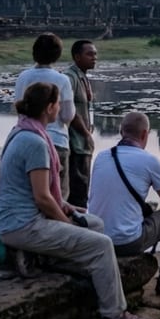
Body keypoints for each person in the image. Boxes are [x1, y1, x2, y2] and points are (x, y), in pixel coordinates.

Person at [0, 82, 148, 319]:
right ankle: (114, 315)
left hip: (17, 220)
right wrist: (65, 222)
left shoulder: (20, 131)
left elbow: (38, 192)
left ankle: (48, 259)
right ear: (49, 108)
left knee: (96, 223)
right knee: (101, 244)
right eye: (58, 104)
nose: (61, 109)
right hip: (23, 225)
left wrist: (67, 207)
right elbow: (43, 198)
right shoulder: (35, 142)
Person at [88, 112, 160, 295]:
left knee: (146, 207)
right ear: (145, 134)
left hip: (97, 238)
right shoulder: (149, 160)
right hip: (126, 242)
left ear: (121, 131)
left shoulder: (102, 157)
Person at [14, 33, 75, 193]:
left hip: (24, 139)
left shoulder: (23, 77)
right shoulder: (62, 80)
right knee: (59, 194)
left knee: (31, 193)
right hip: (56, 140)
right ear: (57, 55)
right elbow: (68, 115)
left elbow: (19, 109)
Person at [65, 40, 97, 207]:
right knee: (77, 192)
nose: (94, 58)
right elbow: (68, 108)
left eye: (95, 54)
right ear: (77, 57)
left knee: (83, 189)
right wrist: (85, 133)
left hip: (83, 142)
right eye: (89, 54)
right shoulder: (69, 78)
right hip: (75, 144)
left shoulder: (82, 76)